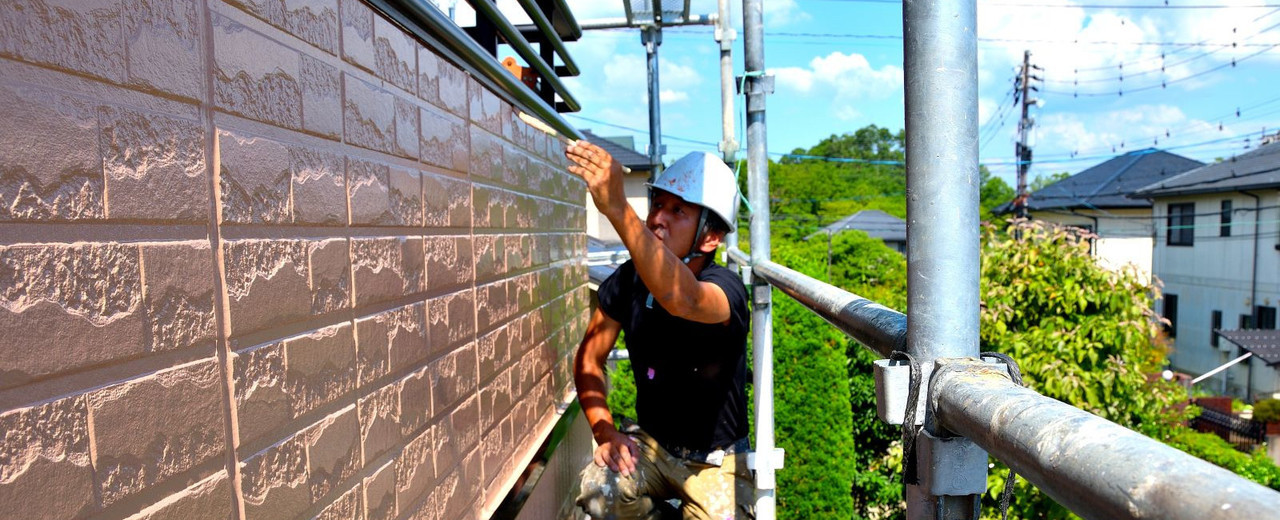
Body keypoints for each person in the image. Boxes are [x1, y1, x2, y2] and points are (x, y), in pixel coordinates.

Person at [564, 142, 754, 520]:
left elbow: (680, 297)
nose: (657, 219)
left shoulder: (726, 290)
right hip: (649, 446)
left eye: (678, 210)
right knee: (600, 493)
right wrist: (605, 431)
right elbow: (590, 358)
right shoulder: (629, 280)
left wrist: (618, 207)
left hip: (717, 461)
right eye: (657, 205)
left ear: (711, 237)